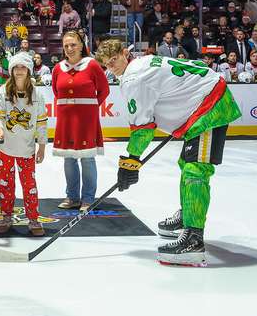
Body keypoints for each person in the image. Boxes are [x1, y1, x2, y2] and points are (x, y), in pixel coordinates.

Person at [98, 39, 242, 266]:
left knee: (196, 171)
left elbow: (142, 129)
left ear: (125, 53)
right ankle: (188, 215)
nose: (111, 67)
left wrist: (130, 162)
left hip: (209, 108)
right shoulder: (142, 64)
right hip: (203, 105)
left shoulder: (134, 77)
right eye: (106, 64)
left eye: (114, 60)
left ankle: (194, 238)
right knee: (187, 164)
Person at [0, 52, 48, 236]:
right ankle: (6, 216)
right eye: (16, 67)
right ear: (11, 70)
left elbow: (41, 122)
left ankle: (33, 219)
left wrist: (42, 146)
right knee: (5, 185)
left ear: (29, 69)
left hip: (27, 148)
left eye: (23, 67)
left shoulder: (37, 93)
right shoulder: (2, 91)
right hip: (4, 148)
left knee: (29, 184)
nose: (19, 71)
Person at [52, 31, 109, 211]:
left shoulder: (92, 65)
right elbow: (56, 91)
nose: (70, 48)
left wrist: (91, 107)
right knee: (68, 159)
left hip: (86, 120)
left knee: (87, 159)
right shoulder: (58, 68)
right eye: (66, 45)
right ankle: (72, 197)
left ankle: (88, 199)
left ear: (81, 45)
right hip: (65, 120)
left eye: (73, 44)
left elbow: (104, 90)